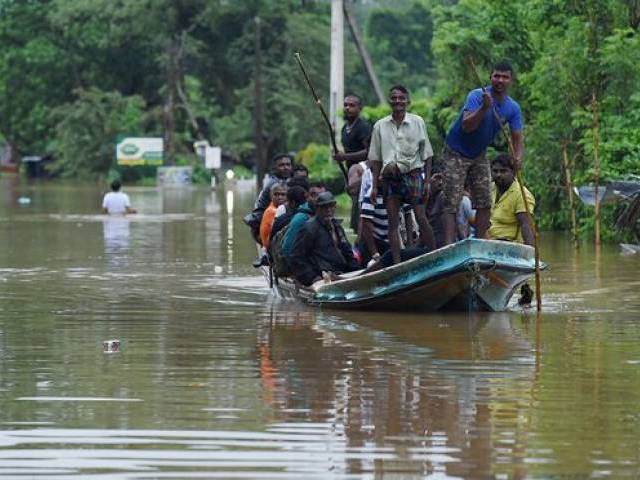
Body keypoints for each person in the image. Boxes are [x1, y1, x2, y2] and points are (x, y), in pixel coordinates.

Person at [442, 60, 524, 245]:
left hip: (479, 154)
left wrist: (518, 159)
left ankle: (480, 244)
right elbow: (467, 126)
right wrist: (484, 108)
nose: (500, 80)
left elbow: (518, 138)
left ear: (511, 81)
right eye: (496, 76)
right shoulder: (477, 96)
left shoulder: (513, 108)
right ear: (491, 77)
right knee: (451, 201)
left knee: (485, 200)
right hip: (456, 151)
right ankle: (447, 246)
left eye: (505, 77)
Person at [368, 85, 436, 264]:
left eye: (401, 98)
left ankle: (435, 255)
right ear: (390, 101)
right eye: (394, 98)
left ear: (407, 101)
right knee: (393, 222)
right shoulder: (380, 126)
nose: (397, 101)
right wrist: (374, 186)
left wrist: (427, 181)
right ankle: (397, 263)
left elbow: (427, 154)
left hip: (412, 175)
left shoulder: (417, 121)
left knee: (421, 217)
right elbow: (375, 159)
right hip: (389, 178)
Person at [289, 192, 359, 286]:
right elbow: (296, 257)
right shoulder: (309, 228)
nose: (328, 210)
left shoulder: (336, 226)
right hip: (321, 276)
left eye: (331, 206)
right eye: (324, 207)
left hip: (339, 273)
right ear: (318, 208)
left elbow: (347, 251)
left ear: (335, 207)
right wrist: (313, 277)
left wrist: (356, 271)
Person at [333, 94, 372, 233]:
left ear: (359, 108)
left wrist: (345, 156)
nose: (347, 108)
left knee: (359, 203)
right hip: (350, 173)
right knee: (355, 202)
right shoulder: (345, 129)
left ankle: (360, 233)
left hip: (364, 173)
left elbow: (369, 152)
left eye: (352, 105)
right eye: (345, 105)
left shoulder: (364, 127)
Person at [243, 153, 293, 242]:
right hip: (264, 225)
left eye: (288, 165)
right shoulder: (274, 184)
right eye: (282, 165)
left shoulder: (286, 180)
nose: (286, 167)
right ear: (275, 168)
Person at [488, 153, 535, 246]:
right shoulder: (490, 189)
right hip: (487, 242)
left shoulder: (522, 195)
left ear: (513, 173)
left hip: (509, 245)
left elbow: (526, 225)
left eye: (503, 171)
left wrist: (530, 254)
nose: (498, 175)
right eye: (495, 171)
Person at [281, 182, 327, 257]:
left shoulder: (329, 217)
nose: (318, 199)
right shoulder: (300, 218)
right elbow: (287, 249)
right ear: (307, 197)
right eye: (314, 195)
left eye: (323, 195)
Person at [259, 183, 287, 248]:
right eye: (276, 194)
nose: (280, 197)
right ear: (271, 197)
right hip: (270, 247)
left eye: (283, 194)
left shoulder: (276, 207)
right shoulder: (272, 211)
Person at [425, 172, 445, 248]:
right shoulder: (428, 196)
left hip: (439, 241)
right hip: (430, 241)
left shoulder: (442, 196)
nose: (439, 184)